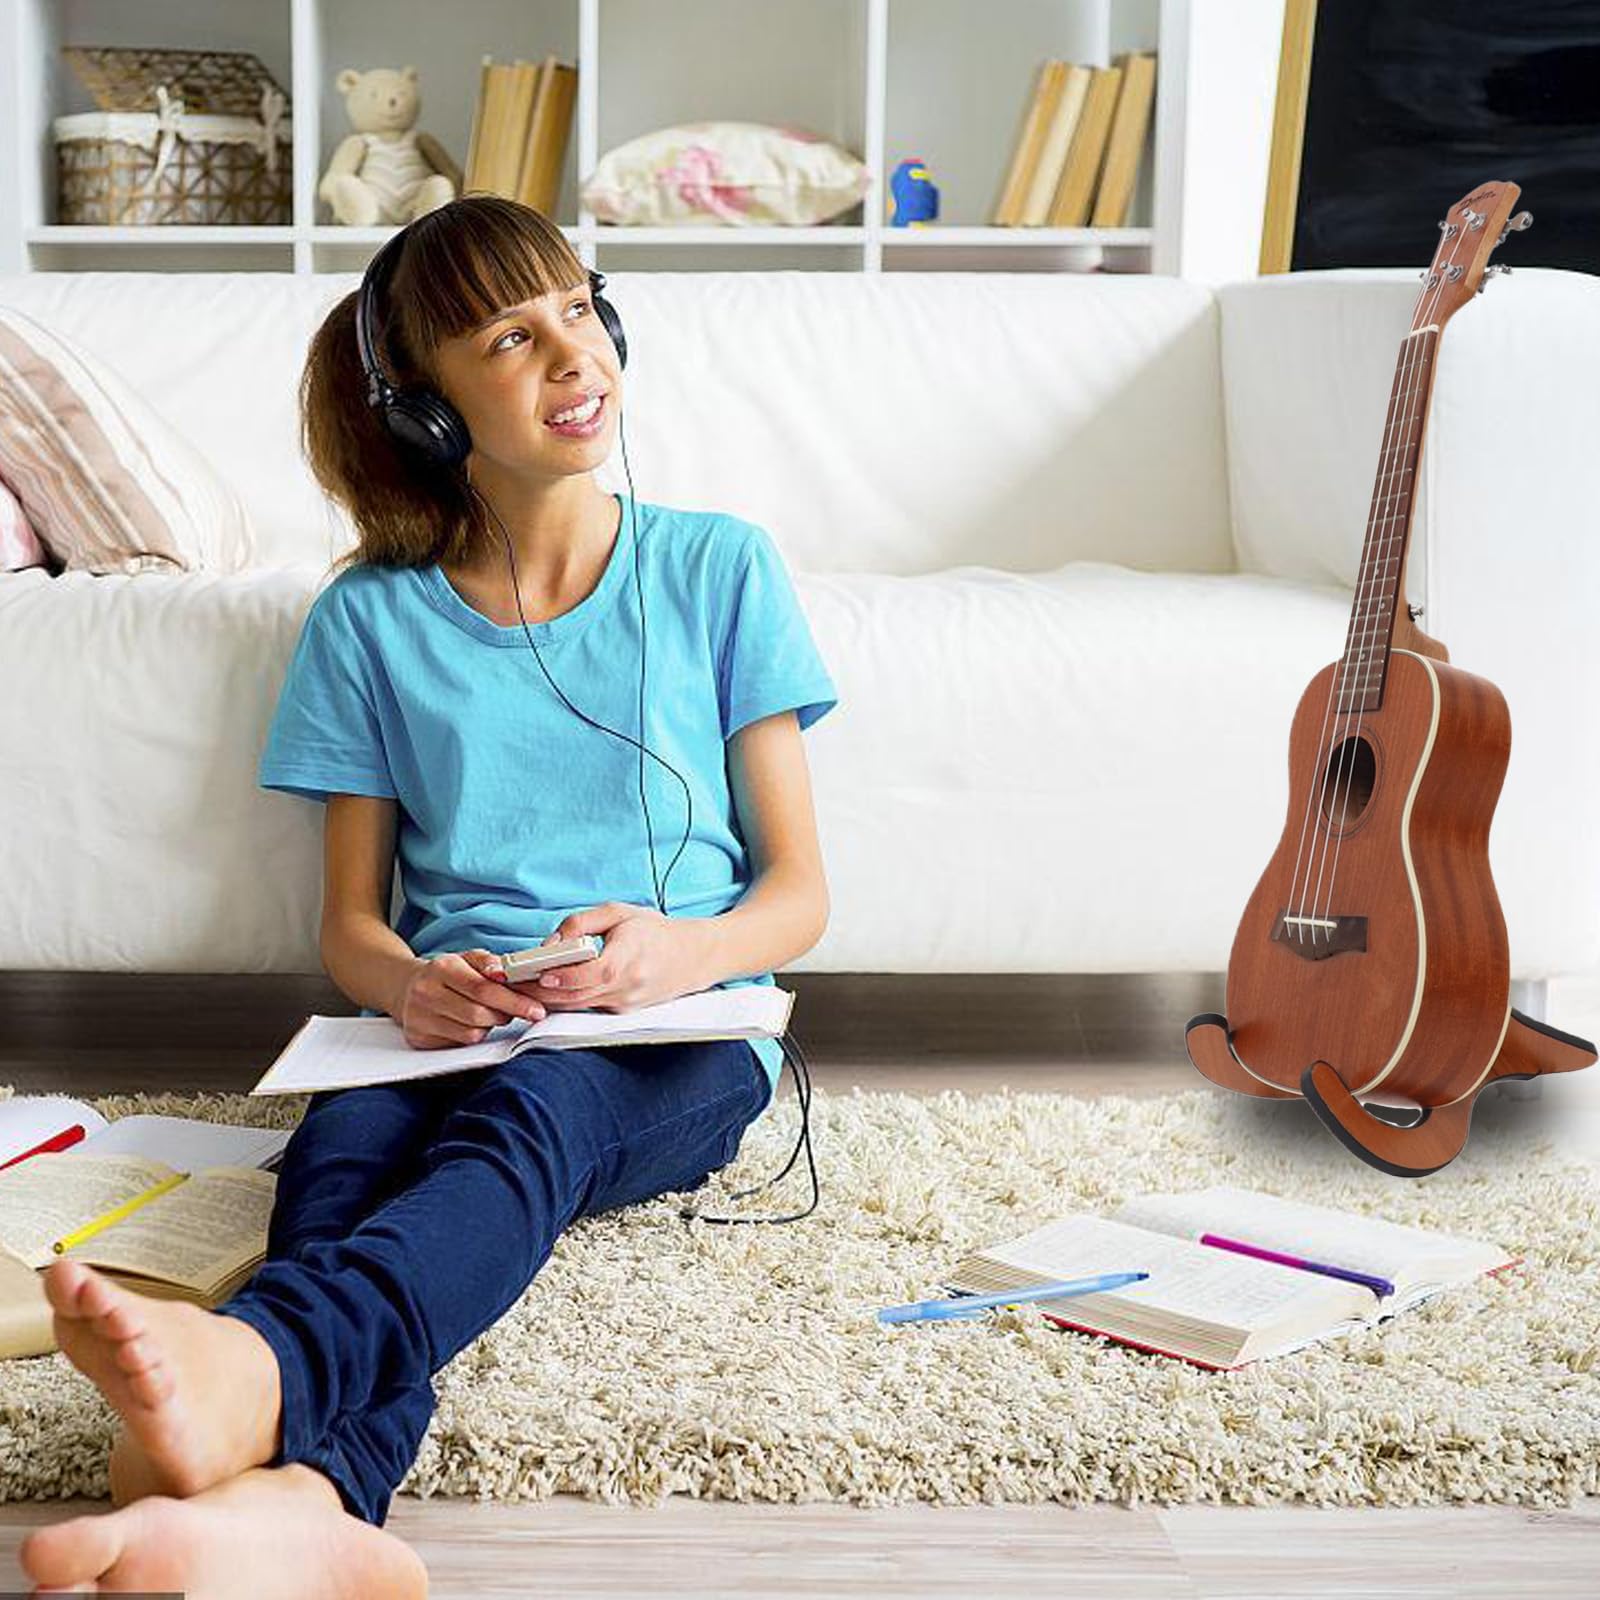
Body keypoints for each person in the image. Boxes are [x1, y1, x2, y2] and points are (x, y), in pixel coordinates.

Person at [23, 194, 838, 1597]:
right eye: (511, 339)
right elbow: (348, 926)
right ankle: (306, 1511)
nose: (573, 358)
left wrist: (677, 954)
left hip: (669, 1038)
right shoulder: (368, 617)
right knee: (337, 1175)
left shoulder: (719, 568)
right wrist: (411, 985)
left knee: (529, 1123)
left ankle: (267, 1368)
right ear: (423, 409)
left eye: (581, 311)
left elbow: (800, 895)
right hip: (445, 1023)